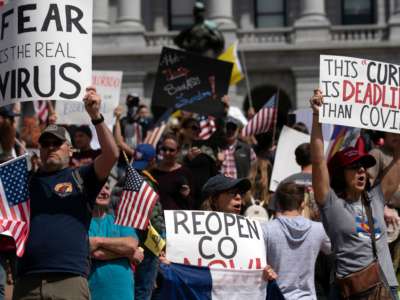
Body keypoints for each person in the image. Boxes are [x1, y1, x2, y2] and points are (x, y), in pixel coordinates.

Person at [13, 87, 120, 300]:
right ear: (39, 149)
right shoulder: (25, 180)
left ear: (69, 150)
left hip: (69, 281)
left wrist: (96, 117)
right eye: (45, 144)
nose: (50, 147)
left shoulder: (81, 176)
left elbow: (112, 154)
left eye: (57, 143)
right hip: (27, 282)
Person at [310, 89, 399, 299]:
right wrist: (316, 116)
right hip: (351, 292)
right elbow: (317, 162)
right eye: (354, 167)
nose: (361, 171)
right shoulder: (332, 204)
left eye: (363, 167)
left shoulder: (375, 199)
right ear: (341, 174)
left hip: (387, 288)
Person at [262, 181, 331, 300]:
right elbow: (334, 251)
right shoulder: (319, 229)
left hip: (276, 296)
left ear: (278, 203)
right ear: (303, 204)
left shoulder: (266, 229)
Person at [89, 183, 144, 300]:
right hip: (93, 292)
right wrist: (127, 253)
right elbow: (93, 253)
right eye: (100, 188)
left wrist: (99, 241)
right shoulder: (81, 222)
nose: (104, 192)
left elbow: (131, 245)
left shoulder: (120, 221)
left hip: (123, 293)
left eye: (107, 188)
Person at [151, 133, 195, 210]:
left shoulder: (185, 172)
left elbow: (194, 202)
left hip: (177, 218)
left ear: (178, 151)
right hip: (158, 217)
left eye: (171, 150)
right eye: (164, 149)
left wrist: (187, 196)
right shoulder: (154, 172)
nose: (167, 153)